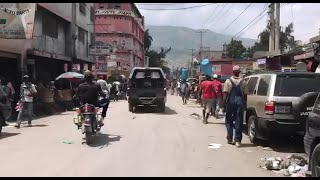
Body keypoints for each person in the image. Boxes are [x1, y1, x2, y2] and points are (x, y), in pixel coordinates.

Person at [222, 65, 248, 147]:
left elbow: (225, 93)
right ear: (239, 72)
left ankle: (229, 138)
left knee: (229, 120)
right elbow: (245, 94)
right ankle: (237, 140)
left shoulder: (228, 81)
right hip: (240, 102)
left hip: (231, 102)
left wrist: (223, 104)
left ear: (233, 72)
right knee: (238, 121)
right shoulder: (243, 81)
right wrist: (245, 104)